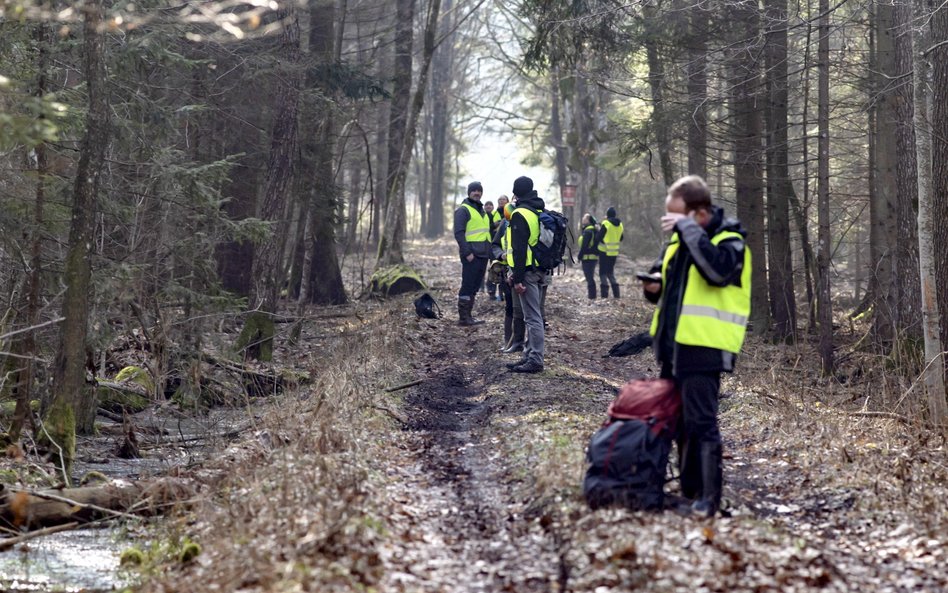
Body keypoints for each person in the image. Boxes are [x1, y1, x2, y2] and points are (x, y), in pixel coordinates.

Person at [642, 174, 751, 518]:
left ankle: (709, 496)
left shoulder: (731, 242)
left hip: (705, 347)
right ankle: (690, 489)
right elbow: (666, 284)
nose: (671, 224)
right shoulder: (679, 242)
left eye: (677, 217)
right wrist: (653, 288)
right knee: (680, 421)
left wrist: (688, 232)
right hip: (674, 348)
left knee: (702, 422)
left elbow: (716, 272)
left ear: (700, 214)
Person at [506, 176, 547, 373]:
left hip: (528, 271)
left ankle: (536, 360)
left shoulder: (520, 213)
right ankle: (529, 356)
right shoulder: (538, 209)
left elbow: (520, 249)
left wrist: (517, 278)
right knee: (533, 315)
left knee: (532, 317)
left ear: (516, 192)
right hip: (540, 269)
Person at [453, 181, 491, 326]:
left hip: (483, 255)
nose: (477, 193)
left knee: (475, 286)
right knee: (468, 285)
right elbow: (459, 233)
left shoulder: (482, 211)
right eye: (474, 190)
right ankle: (463, 318)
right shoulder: (463, 210)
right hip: (471, 255)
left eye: (479, 191)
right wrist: (467, 253)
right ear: (469, 192)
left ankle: (469, 316)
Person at [491, 202, 520, 350]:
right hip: (506, 270)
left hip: (527, 271)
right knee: (510, 306)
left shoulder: (531, 217)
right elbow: (495, 244)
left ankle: (522, 342)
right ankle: (508, 341)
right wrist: (500, 254)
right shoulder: (504, 222)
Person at [597, 206, 624, 298]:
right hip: (614, 253)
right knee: (610, 273)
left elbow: (598, 238)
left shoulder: (606, 223)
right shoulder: (620, 225)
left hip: (604, 252)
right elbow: (621, 238)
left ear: (607, 215)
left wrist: (598, 229)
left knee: (602, 273)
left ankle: (604, 296)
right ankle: (617, 295)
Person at [577, 213, 599, 300]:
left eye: (584, 218)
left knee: (589, 277)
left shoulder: (588, 232)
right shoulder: (593, 230)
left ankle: (592, 296)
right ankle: (592, 296)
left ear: (588, 220)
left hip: (587, 258)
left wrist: (579, 256)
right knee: (590, 277)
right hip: (593, 258)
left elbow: (584, 246)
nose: (582, 219)